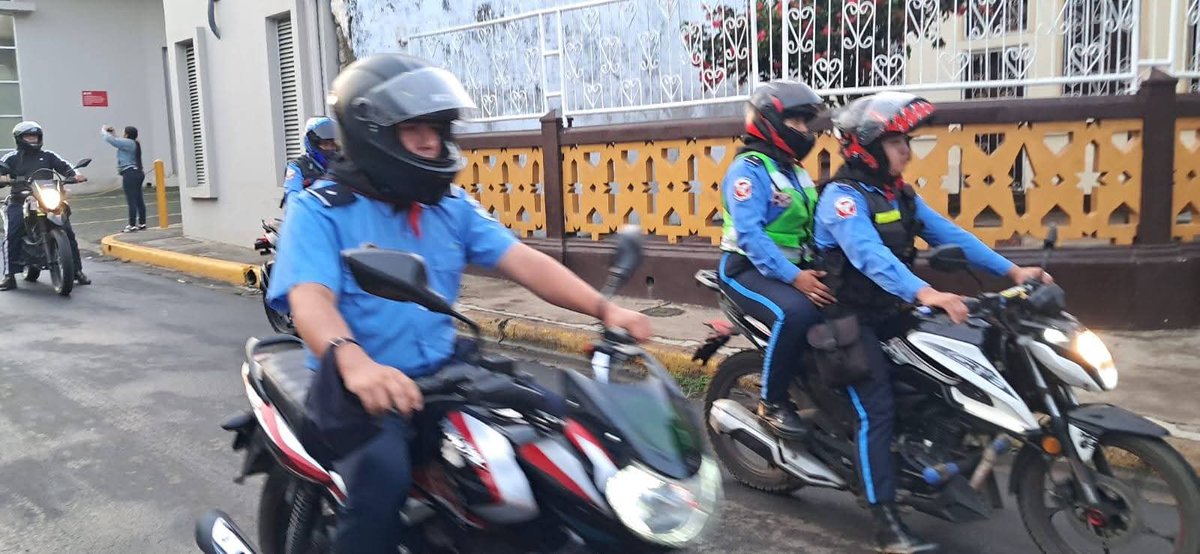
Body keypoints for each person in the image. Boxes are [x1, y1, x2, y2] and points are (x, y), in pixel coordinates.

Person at [266, 53, 652, 553]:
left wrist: (606, 310)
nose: (431, 142)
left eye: (437, 128)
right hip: (360, 388)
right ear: (372, 134)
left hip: (445, 372)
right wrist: (355, 363)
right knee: (381, 479)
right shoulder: (320, 211)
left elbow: (523, 261)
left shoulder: (449, 206)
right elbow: (311, 299)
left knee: (563, 435)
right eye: (414, 129)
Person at [813, 91, 1051, 553]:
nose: (907, 150)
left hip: (893, 312)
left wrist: (1013, 271)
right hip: (848, 320)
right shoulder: (841, 198)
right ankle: (886, 521)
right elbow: (868, 255)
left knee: (956, 369)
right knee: (875, 409)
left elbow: (950, 233)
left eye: (907, 141)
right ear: (866, 146)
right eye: (897, 141)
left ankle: (933, 456)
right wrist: (926, 292)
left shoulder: (898, 195)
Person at [716, 81, 831, 439]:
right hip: (743, 269)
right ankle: (772, 402)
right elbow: (750, 236)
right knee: (795, 312)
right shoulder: (748, 170)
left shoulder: (794, 171)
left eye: (806, 124)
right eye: (795, 123)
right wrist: (796, 279)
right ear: (769, 122)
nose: (804, 131)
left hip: (790, 270)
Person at [1, 121, 90, 290]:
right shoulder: (11, 157)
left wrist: (76, 175)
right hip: (21, 200)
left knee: (68, 232)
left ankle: (77, 271)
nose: (32, 139)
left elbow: (67, 167)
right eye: (28, 136)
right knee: (13, 233)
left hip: (46, 199)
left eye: (35, 136)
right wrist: (7, 179)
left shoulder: (48, 155)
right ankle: (9, 275)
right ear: (20, 139)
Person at [282, 116, 339, 203]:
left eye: (333, 144)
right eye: (325, 144)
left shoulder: (343, 165)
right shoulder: (297, 167)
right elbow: (293, 200)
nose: (330, 148)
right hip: (311, 213)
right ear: (313, 143)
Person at [102, 125, 146, 232]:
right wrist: (113, 133)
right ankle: (142, 223)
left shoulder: (129, 143)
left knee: (131, 200)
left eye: (124, 133)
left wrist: (104, 130)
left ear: (127, 134)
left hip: (130, 173)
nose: (123, 134)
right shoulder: (133, 143)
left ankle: (132, 225)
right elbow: (118, 141)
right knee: (139, 199)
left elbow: (111, 140)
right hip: (137, 173)